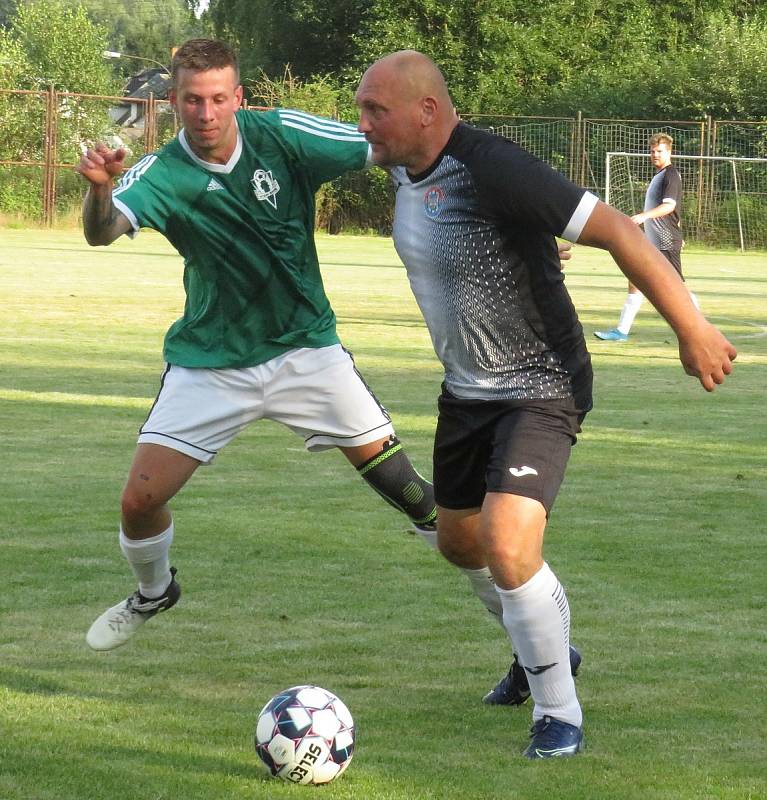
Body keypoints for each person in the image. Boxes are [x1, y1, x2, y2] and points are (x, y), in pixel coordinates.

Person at [354, 50, 736, 759]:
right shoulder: (403, 168)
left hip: (541, 384)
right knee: (459, 543)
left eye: (375, 110)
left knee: (506, 542)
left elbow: (622, 230)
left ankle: (558, 713)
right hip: (465, 391)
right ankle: (547, 650)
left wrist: (692, 329)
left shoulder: (492, 166)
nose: (363, 124)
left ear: (426, 112)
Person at [75, 38, 439, 653]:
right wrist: (99, 190)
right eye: (193, 100)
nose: (206, 113)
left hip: (306, 353)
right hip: (211, 364)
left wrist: (475, 194)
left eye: (219, 98)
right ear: (174, 101)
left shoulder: (283, 136)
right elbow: (101, 233)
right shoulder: (162, 172)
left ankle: (524, 638)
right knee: (139, 501)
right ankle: (154, 590)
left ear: (238, 98)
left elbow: (385, 144)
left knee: (411, 494)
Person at [595, 133, 698, 342]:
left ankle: (701, 329)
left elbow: (669, 206)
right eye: (652, 151)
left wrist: (644, 216)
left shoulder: (670, 175)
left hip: (665, 240)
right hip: (656, 239)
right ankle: (621, 331)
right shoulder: (660, 175)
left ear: (669, 152)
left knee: (677, 286)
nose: (655, 154)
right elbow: (674, 212)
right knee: (635, 279)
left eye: (659, 151)